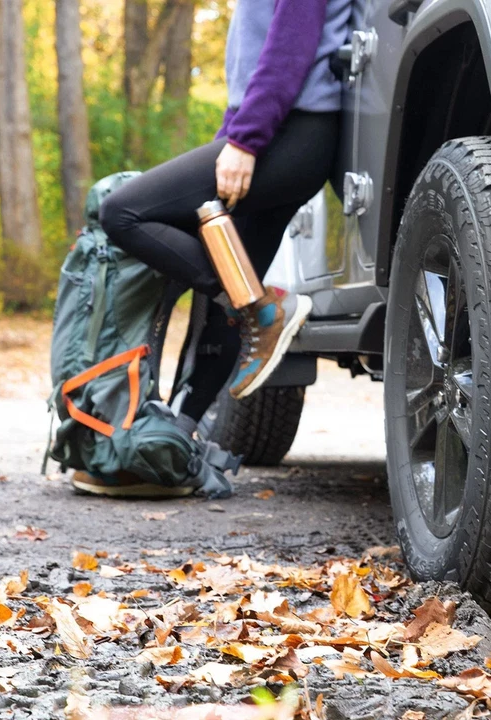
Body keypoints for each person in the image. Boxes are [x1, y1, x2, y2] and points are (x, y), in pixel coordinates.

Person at [74, 0, 352, 498]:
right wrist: (232, 137)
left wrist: (244, 142)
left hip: (293, 134)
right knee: (221, 285)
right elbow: (255, 64)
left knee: (125, 213)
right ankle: (172, 448)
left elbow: (289, 49)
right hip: (282, 132)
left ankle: (260, 307)